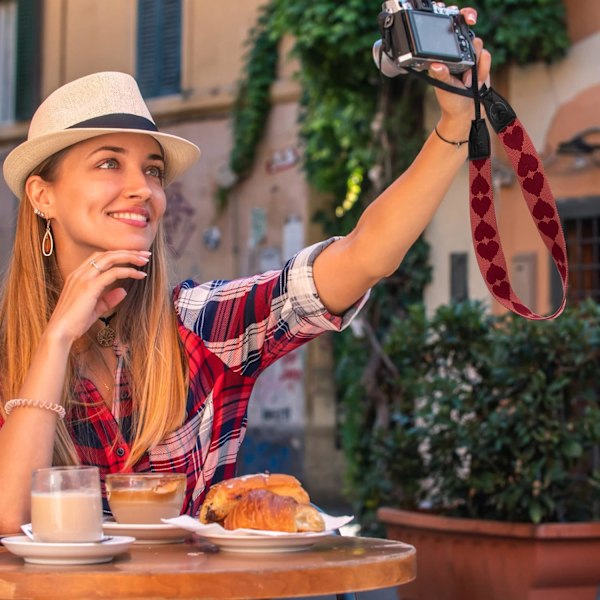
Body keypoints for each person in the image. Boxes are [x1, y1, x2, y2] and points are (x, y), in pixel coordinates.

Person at [0, 7, 489, 532]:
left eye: (152, 169)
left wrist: (456, 126)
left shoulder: (197, 326)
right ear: (42, 194)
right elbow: (10, 523)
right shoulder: (10, 349)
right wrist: (55, 342)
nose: (143, 188)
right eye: (108, 162)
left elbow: (364, 256)